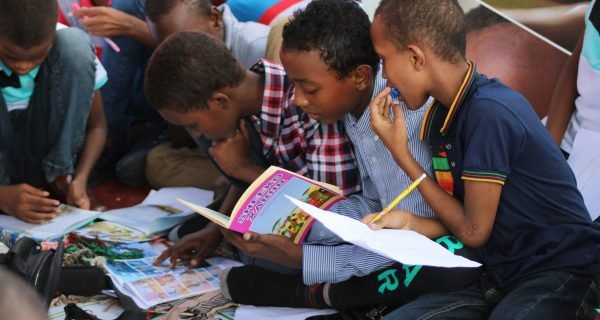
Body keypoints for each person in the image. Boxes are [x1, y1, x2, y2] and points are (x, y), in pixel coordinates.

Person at [216, 0, 480, 314]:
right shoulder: (356, 112)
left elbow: (409, 243)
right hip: (405, 237)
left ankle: (312, 293)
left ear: (359, 77)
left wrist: (302, 258)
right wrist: (298, 225)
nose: (298, 99)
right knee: (265, 250)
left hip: (443, 254)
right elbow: (376, 205)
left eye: (309, 89)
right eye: (294, 84)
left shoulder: (397, 115)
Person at [365, 0, 600, 319]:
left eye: (384, 60)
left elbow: (473, 231)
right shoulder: (444, 116)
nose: (386, 77)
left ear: (415, 57)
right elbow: (469, 216)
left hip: (559, 271)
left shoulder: (489, 112)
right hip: (500, 273)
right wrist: (408, 223)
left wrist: (402, 154)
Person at [144, 31, 360, 270]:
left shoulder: (311, 108)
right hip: (280, 208)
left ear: (220, 101)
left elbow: (334, 216)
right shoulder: (246, 99)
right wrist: (215, 229)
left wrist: (242, 168)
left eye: (193, 124)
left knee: (253, 269)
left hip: (330, 230)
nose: (194, 134)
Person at [143, 0, 272, 192]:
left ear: (214, 18)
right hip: (236, 152)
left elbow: (317, 201)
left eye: (188, 38)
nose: (181, 52)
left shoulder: (259, 48)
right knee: (155, 162)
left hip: (258, 168)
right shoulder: (196, 87)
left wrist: (239, 169)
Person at [0, 0, 108, 222]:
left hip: (49, 163)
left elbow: (97, 126)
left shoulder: (66, 45)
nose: (23, 66)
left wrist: (80, 179)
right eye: (11, 57)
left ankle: (60, 177)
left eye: (36, 58)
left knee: (76, 45)